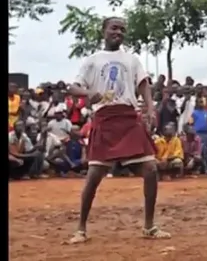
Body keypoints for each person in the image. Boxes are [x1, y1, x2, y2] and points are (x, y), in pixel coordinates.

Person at [66, 17, 171, 244]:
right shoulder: (92, 60)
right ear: (103, 31)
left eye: (122, 30)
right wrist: (87, 94)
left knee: (151, 169)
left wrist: (151, 108)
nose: (119, 32)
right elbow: (73, 87)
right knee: (94, 176)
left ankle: (149, 226)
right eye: (114, 28)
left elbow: (143, 84)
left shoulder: (131, 59)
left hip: (128, 118)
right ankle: (81, 229)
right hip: (104, 118)